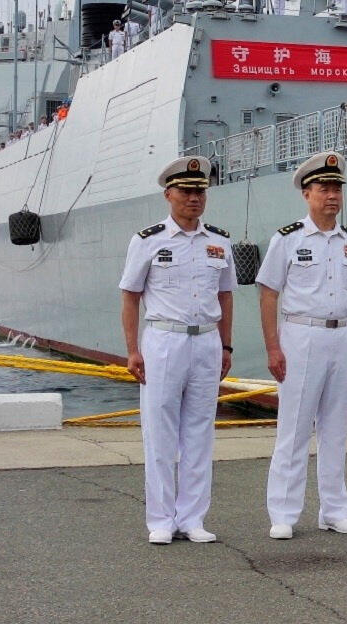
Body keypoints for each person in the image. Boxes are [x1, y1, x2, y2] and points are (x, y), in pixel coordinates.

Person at [256, 151, 347, 540]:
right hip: (301, 335)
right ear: (307, 194)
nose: (332, 195)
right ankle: (283, 513)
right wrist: (273, 348)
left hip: (342, 336)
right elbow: (268, 293)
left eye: (337, 188)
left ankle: (334, 511)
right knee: (294, 426)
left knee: (336, 427)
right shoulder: (288, 239)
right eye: (324, 188)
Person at [119, 155, 234, 545]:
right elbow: (130, 296)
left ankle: (192, 518)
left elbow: (226, 295)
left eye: (200, 191)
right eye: (186, 191)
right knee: (160, 431)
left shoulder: (219, 241)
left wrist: (226, 345)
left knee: (200, 432)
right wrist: (132, 350)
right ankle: (161, 519)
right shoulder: (148, 240)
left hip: (207, 340)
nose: (194, 198)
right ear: (168, 194)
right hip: (164, 340)